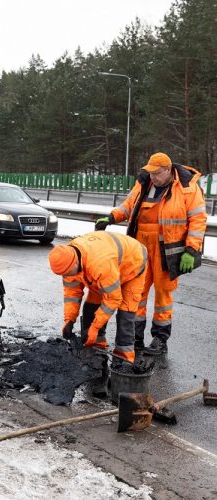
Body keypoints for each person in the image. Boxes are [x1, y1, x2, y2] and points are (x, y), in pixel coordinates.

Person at [95, 152, 207, 355]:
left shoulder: (187, 188)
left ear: (168, 170)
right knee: (136, 293)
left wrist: (191, 250)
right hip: (140, 248)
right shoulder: (144, 183)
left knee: (163, 297)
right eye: (151, 173)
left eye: (157, 173)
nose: (153, 177)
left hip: (167, 250)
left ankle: (159, 340)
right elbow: (128, 206)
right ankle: (135, 338)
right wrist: (111, 217)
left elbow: (198, 220)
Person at [48, 231, 148, 368]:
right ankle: (96, 347)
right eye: (63, 274)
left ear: (75, 262)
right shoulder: (67, 259)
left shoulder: (100, 264)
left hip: (133, 264)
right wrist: (69, 320)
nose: (66, 276)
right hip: (105, 271)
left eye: (68, 273)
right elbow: (72, 293)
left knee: (126, 313)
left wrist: (95, 327)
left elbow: (113, 299)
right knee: (91, 307)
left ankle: (124, 359)